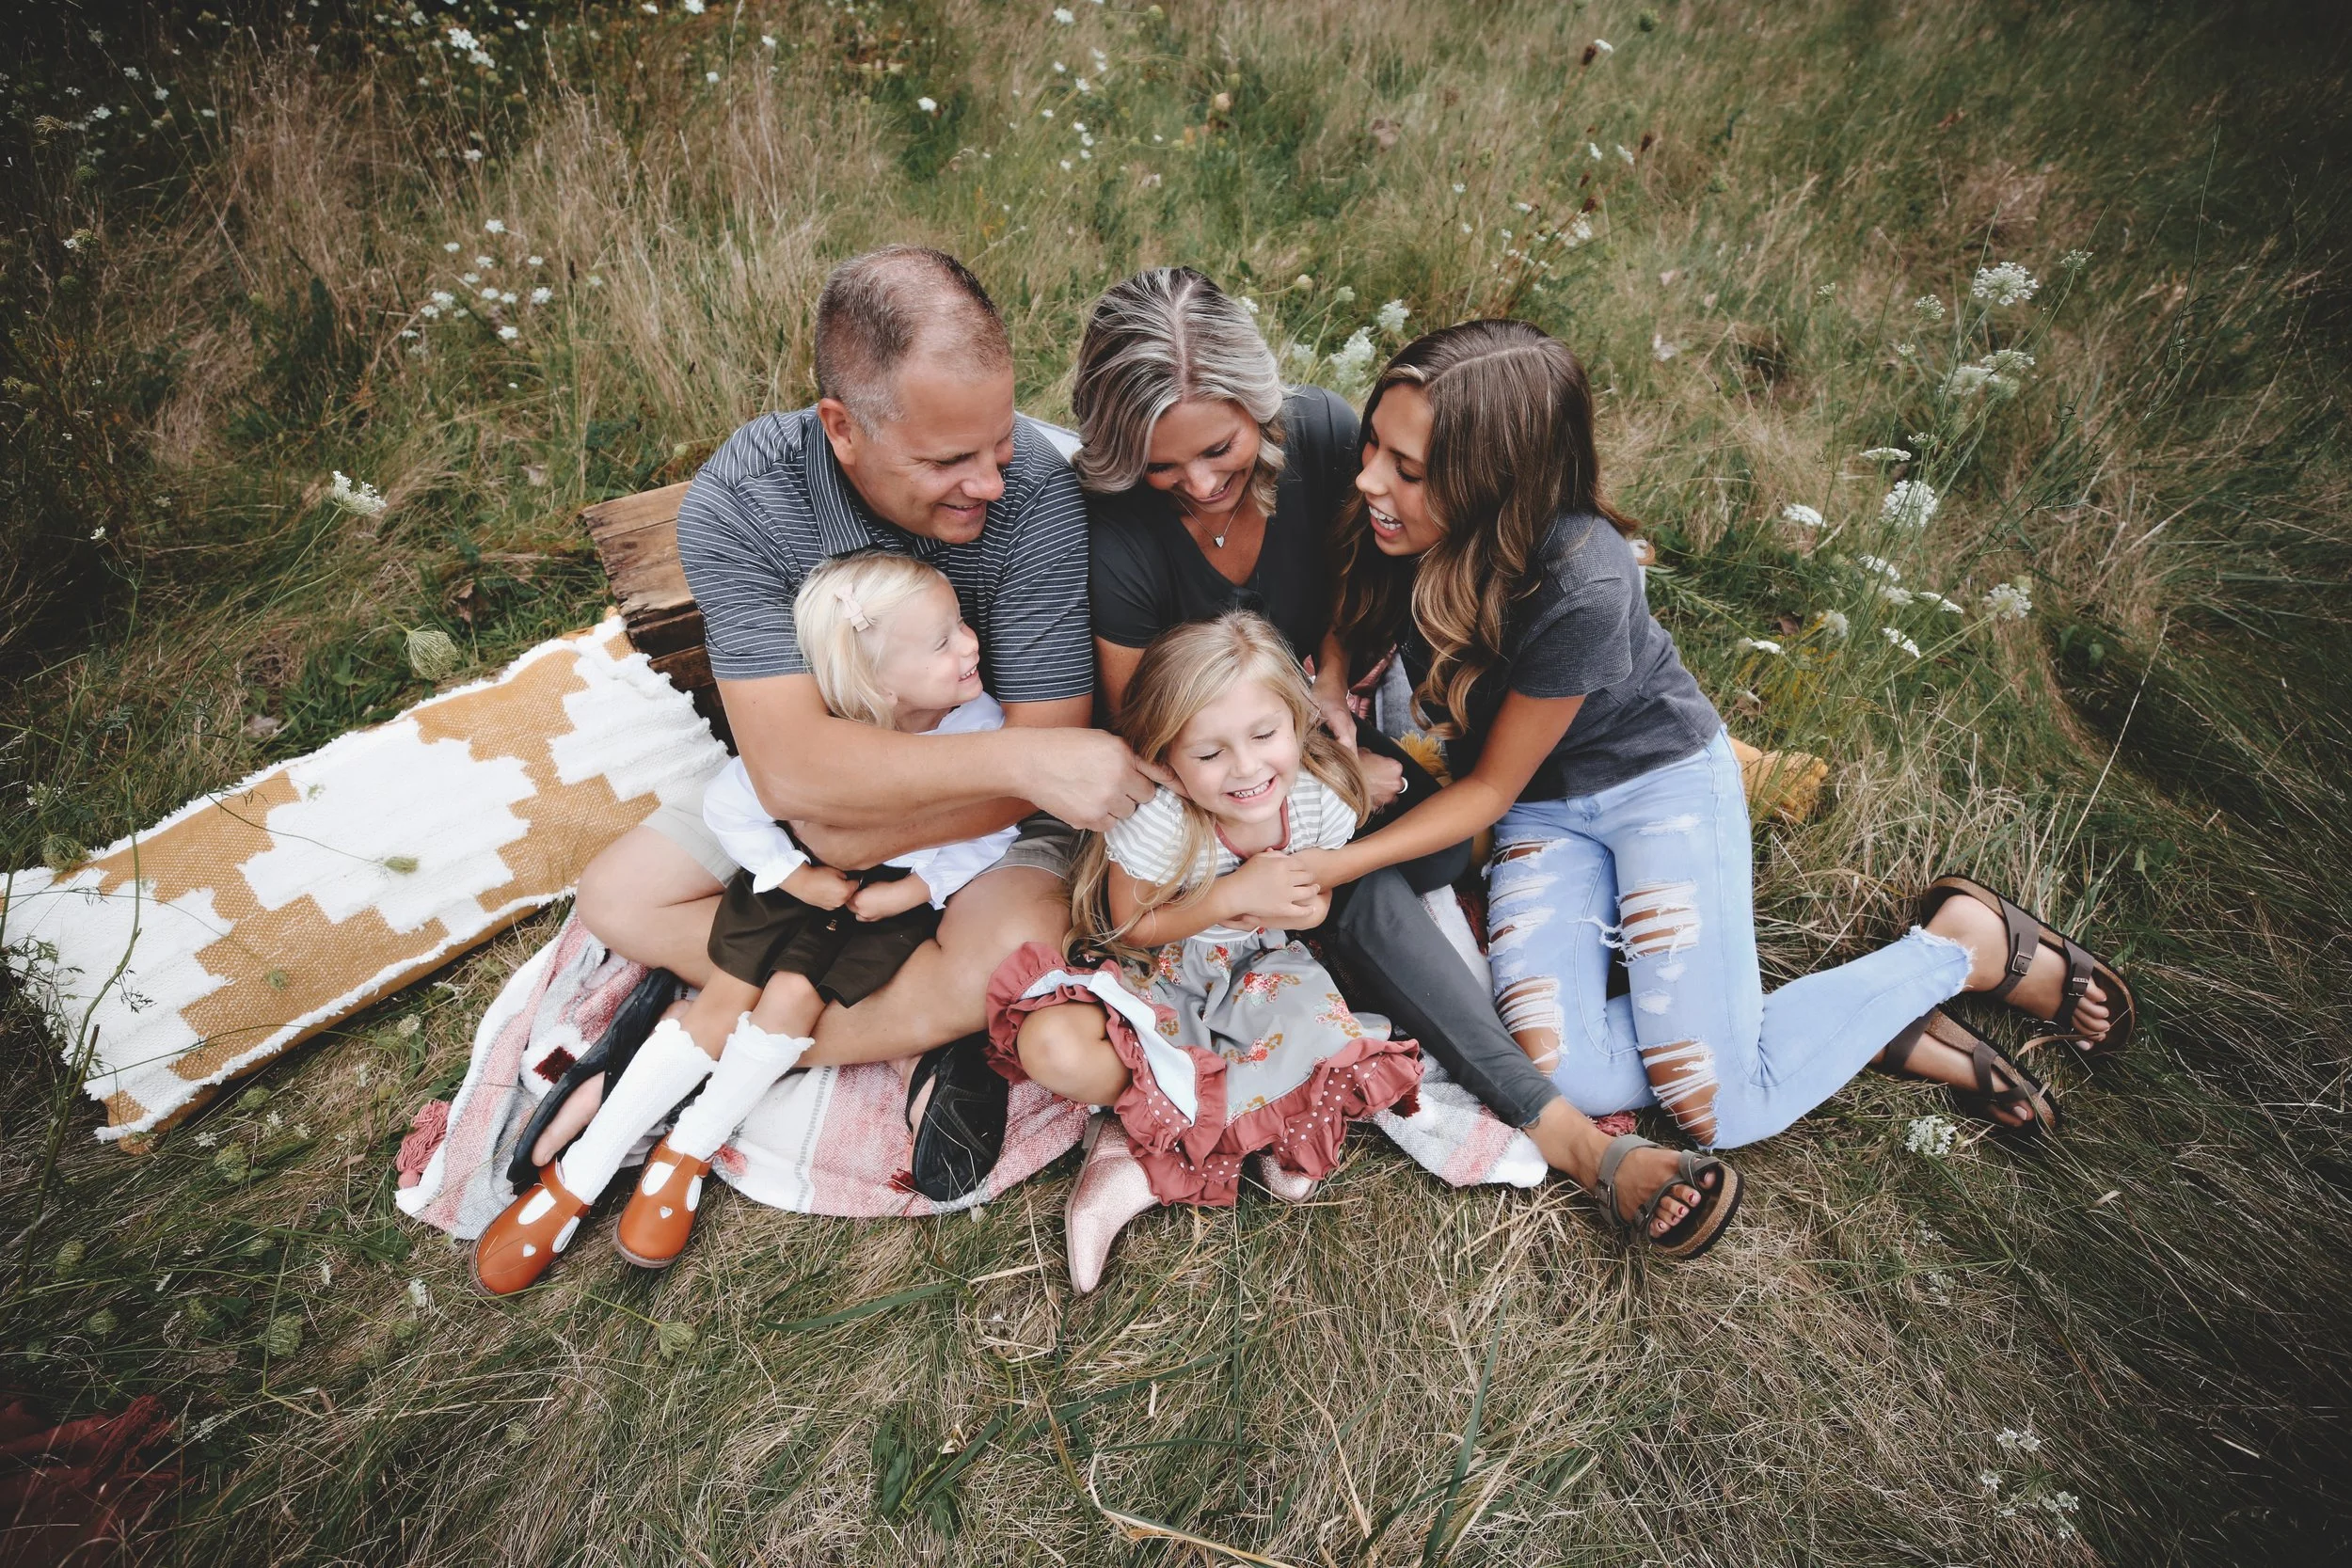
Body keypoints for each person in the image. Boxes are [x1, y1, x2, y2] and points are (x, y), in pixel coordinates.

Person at [1295, 320, 2135, 1200]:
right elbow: (1355, 606)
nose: (1368, 479)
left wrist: (1330, 866)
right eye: (1374, 446)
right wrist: (1333, 681)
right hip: (1546, 818)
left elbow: (1488, 789)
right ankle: (1840, 1024)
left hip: (1653, 787)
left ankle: (1957, 946)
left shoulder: (1584, 578)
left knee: (1719, 1107)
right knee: (1574, 1076)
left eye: (1407, 469)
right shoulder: (1402, 523)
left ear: (1494, 485)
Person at [1058, 268, 1729, 1254]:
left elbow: (1352, 586)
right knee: (1366, 890)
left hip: (1311, 756)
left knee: (1419, 861)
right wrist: (1266, 829)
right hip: (1203, 785)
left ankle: (1605, 1002)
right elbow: (1140, 729)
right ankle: (1566, 1132)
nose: (1200, 483)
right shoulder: (1120, 532)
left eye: (1219, 448)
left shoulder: (1329, 441)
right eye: (1164, 468)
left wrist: (1330, 706)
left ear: (1261, 407)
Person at [566, 247, 1160, 1205]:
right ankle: (840, 1019)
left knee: (1000, 965)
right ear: (841, 427)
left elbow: (1057, 770)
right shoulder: (747, 496)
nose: (991, 484)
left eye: (998, 444)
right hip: (849, 791)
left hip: (983, 819)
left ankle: (717, 1028)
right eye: (945, 460)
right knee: (617, 898)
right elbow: (800, 773)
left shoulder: (1039, 494)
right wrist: (858, 806)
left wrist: (854, 816)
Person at [473, 555, 1028, 1292]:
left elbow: (989, 828)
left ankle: (683, 1157)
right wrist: (792, 872)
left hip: (884, 902)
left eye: (961, 624)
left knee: (795, 1002)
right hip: (796, 877)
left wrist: (921, 886)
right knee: (726, 997)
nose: (970, 644)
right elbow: (736, 803)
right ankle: (576, 1180)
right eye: (943, 641)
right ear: (880, 684)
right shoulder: (832, 732)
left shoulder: (982, 724)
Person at [985, 614, 1424, 1291]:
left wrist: (1309, 905)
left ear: (1298, 721)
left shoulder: (1319, 798)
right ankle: (1135, 1138)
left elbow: (1316, 899)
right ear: (1167, 757)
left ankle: (1183, 1126)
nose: (1246, 768)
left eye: (1264, 735)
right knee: (1057, 1045)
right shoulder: (1162, 817)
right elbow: (1128, 925)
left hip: (1256, 971)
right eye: (1210, 752)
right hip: (1157, 970)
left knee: (1320, 1034)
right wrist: (1229, 895)